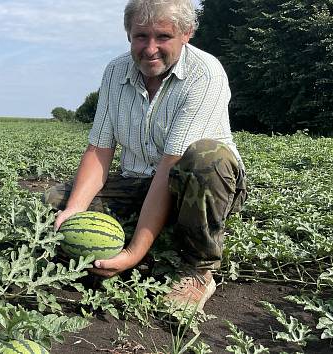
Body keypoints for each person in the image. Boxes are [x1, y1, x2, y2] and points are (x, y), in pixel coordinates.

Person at [43, 0, 247, 311]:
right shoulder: (115, 71)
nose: (150, 48)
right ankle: (152, 241)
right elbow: (100, 149)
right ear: (128, 34)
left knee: (208, 157)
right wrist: (74, 211)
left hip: (194, 186)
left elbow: (170, 166)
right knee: (55, 201)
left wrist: (132, 255)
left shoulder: (205, 74)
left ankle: (197, 269)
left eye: (163, 37)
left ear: (186, 33)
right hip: (138, 182)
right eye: (141, 36)